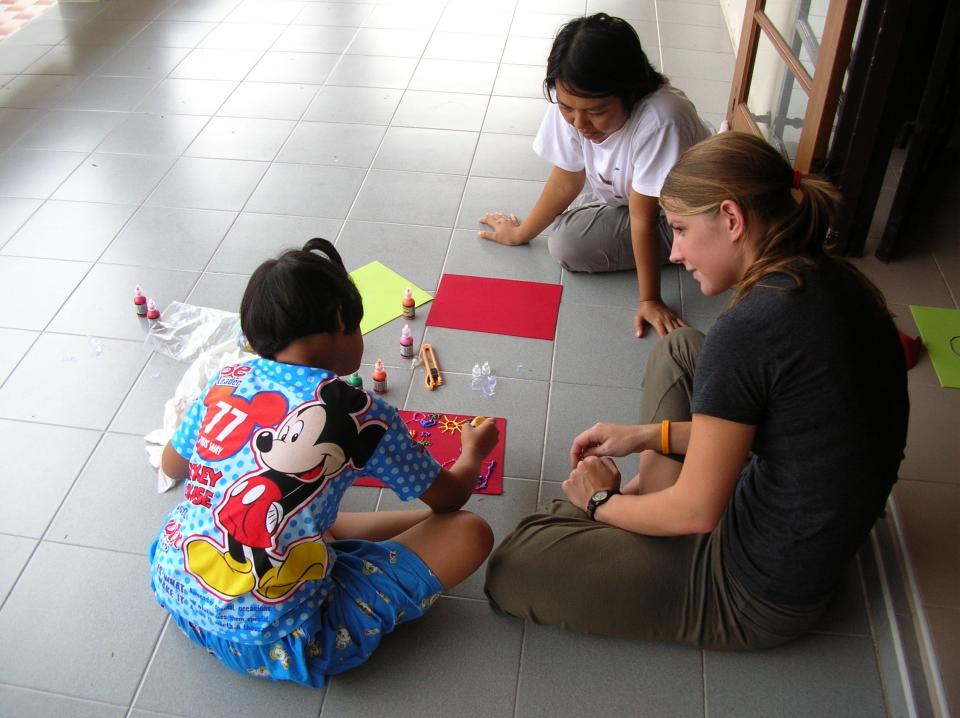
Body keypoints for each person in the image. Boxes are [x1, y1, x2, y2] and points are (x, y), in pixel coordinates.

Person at [484, 132, 909, 649]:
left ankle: (632, 513)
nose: (677, 251)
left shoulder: (750, 328)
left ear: (731, 219)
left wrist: (599, 502)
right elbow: (782, 425)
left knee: (515, 562)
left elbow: (697, 513)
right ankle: (642, 507)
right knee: (680, 347)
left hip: (757, 591)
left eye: (682, 230)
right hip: (800, 513)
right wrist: (646, 435)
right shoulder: (833, 277)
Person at [149, 237, 499, 686]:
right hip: (282, 639)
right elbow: (450, 498)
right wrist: (473, 453)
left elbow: (172, 465)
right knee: (470, 531)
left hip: (178, 589)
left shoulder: (227, 379)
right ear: (340, 320)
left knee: (299, 518)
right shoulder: (357, 411)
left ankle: (329, 543)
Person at [478, 13, 711, 338]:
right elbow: (565, 180)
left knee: (566, 245)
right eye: (566, 108)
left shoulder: (661, 120)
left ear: (631, 91)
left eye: (597, 112)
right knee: (569, 228)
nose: (579, 123)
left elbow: (642, 218)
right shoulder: (575, 99)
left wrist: (650, 299)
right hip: (633, 198)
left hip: (679, 213)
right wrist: (518, 235)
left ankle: (689, 247)